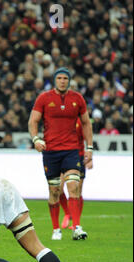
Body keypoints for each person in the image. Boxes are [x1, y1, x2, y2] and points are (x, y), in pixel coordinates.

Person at [28, 67, 93, 240]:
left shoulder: (77, 98)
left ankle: (76, 227)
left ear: (69, 80)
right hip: (51, 152)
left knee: (73, 186)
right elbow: (33, 120)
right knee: (55, 191)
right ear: (55, 80)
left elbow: (86, 123)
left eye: (65, 78)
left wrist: (90, 147)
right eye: (60, 78)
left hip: (71, 150)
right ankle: (56, 228)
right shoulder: (44, 98)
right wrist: (35, 139)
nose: (62, 81)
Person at [60, 118, 93, 230]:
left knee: (77, 190)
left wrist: (90, 157)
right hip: (61, 155)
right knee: (58, 188)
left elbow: (88, 138)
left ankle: (75, 222)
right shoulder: (60, 119)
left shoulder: (80, 121)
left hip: (78, 156)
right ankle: (67, 213)